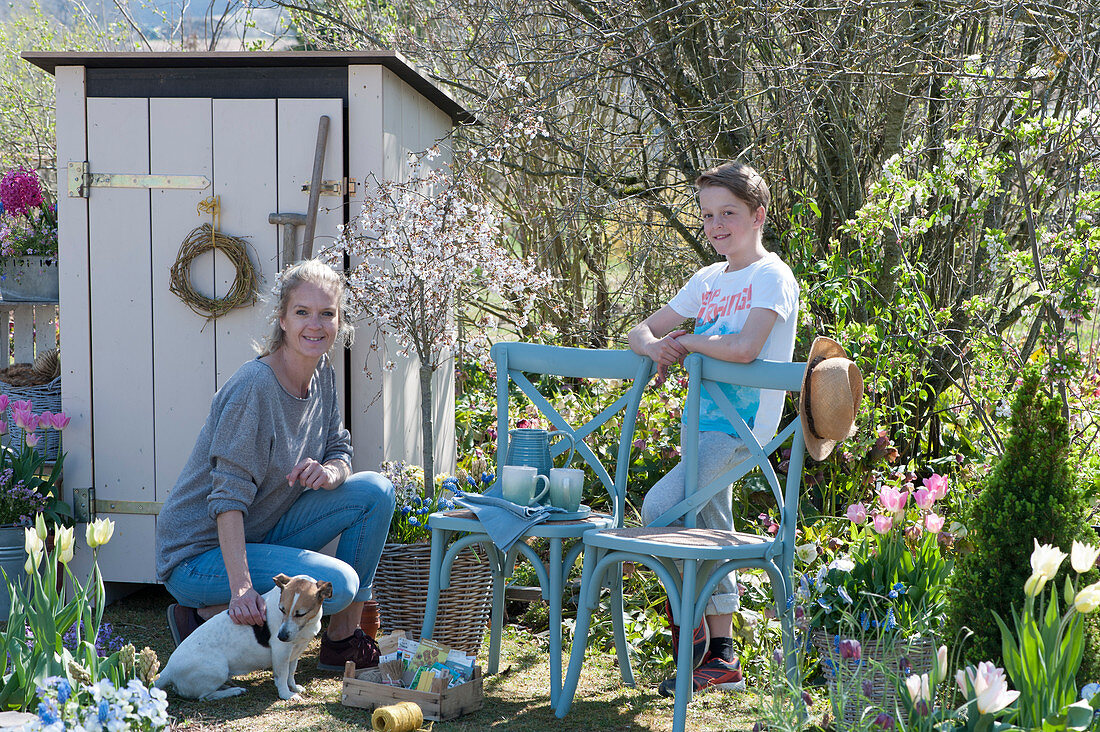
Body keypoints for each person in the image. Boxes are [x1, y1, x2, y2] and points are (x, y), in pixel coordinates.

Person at [155, 259, 396, 671]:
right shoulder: (255, 388)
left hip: (263, 531)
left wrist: (331, 471)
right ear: (282, 319)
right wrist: (242, 589)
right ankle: (200, 616)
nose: (315, 325)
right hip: (198, 553)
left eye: (327, 314)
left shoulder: (323, 376)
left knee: (376, 490)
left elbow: (340, 447)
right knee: (338, 584)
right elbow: (226, 498)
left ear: (339, 322)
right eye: (302, 312)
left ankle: (341, 642)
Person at [628, 162, 799, 696]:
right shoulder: (708, 278)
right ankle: (722, 658)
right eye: (708, 215)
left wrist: (690, 341)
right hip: (699, 425)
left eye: (729, 213)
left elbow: (746, 350)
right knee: (708, 520)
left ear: (757, 216)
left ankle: (690, 628)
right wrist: (657, 346)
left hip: (743, 429)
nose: (717, 224)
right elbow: (641, 330)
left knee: (661, 508)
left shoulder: (771, 276)